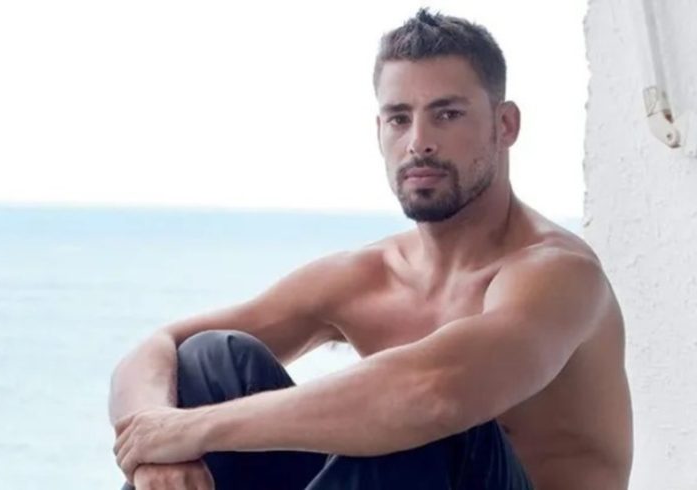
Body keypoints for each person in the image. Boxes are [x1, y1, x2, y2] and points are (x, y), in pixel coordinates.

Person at [109, 8, 633, 490]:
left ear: (505, 125)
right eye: (400, 118)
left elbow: (433, 395)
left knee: (419, 420)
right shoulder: (369, 275)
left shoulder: (559, 275)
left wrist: (195, 429)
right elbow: (156, 349)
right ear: (380, 129)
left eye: (447, 115)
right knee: (211, 358)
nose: (419, 142)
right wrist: (155, 447)